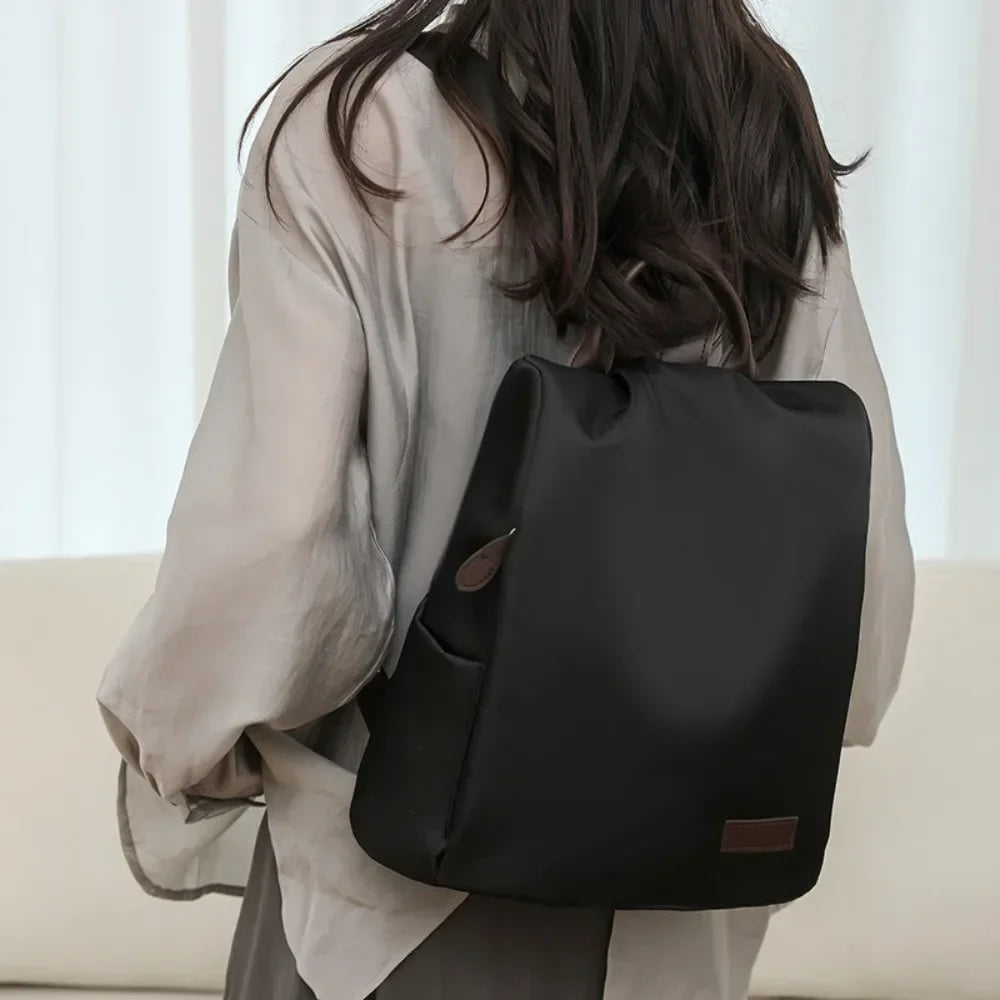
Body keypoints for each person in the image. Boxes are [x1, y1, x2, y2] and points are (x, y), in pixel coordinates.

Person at [97, 1, 915, 997]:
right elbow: (855, 625)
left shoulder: (360, 128)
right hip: (668, 933)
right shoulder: (757, 136)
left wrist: (173, 741)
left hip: (389, 915)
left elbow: (280, 554)